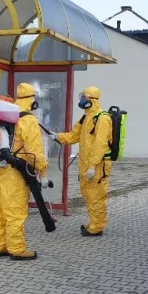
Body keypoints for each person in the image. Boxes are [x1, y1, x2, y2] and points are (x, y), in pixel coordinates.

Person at [0, 83, 48, 261]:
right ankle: (17, 249)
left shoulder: (4, 115)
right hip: (14, 172)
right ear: (32, 99)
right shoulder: (28, 119)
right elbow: (35, 152)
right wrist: (42, 170)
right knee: (15, 210)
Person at [57, 86, 111, 237]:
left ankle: (97, 227)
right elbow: (74, 136)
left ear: (92, 99)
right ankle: (93, 222)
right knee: (88, 194)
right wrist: (57, 137)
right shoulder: (86, 117)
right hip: (86, 164)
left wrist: (93, 166)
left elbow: (100, 144)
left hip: (98, 166)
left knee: (96, 196)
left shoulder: (102, 118)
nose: (81, 99)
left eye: (84, 97)